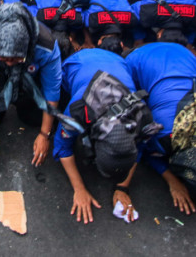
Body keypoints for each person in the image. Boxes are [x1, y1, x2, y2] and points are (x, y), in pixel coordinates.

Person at [54, 48, 159, 224]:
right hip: (79, 61)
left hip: (118, 62)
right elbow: (62, 148)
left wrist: (123, 188)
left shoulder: (142, 115)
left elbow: (139, 147)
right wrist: (78, 188)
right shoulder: (77, 109)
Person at [127, 42, 196, 215]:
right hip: (140, 59)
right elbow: (142, 150)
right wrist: (172, 181)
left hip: (186, 56)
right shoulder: (163, 134)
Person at [0, 3, 61, 165]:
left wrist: (45, 134)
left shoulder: (46, 45)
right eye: (3, 58)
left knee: (36, 119)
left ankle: (22, 101)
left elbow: (52, 89)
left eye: (16, 58)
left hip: (29, 80)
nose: (10, 64)